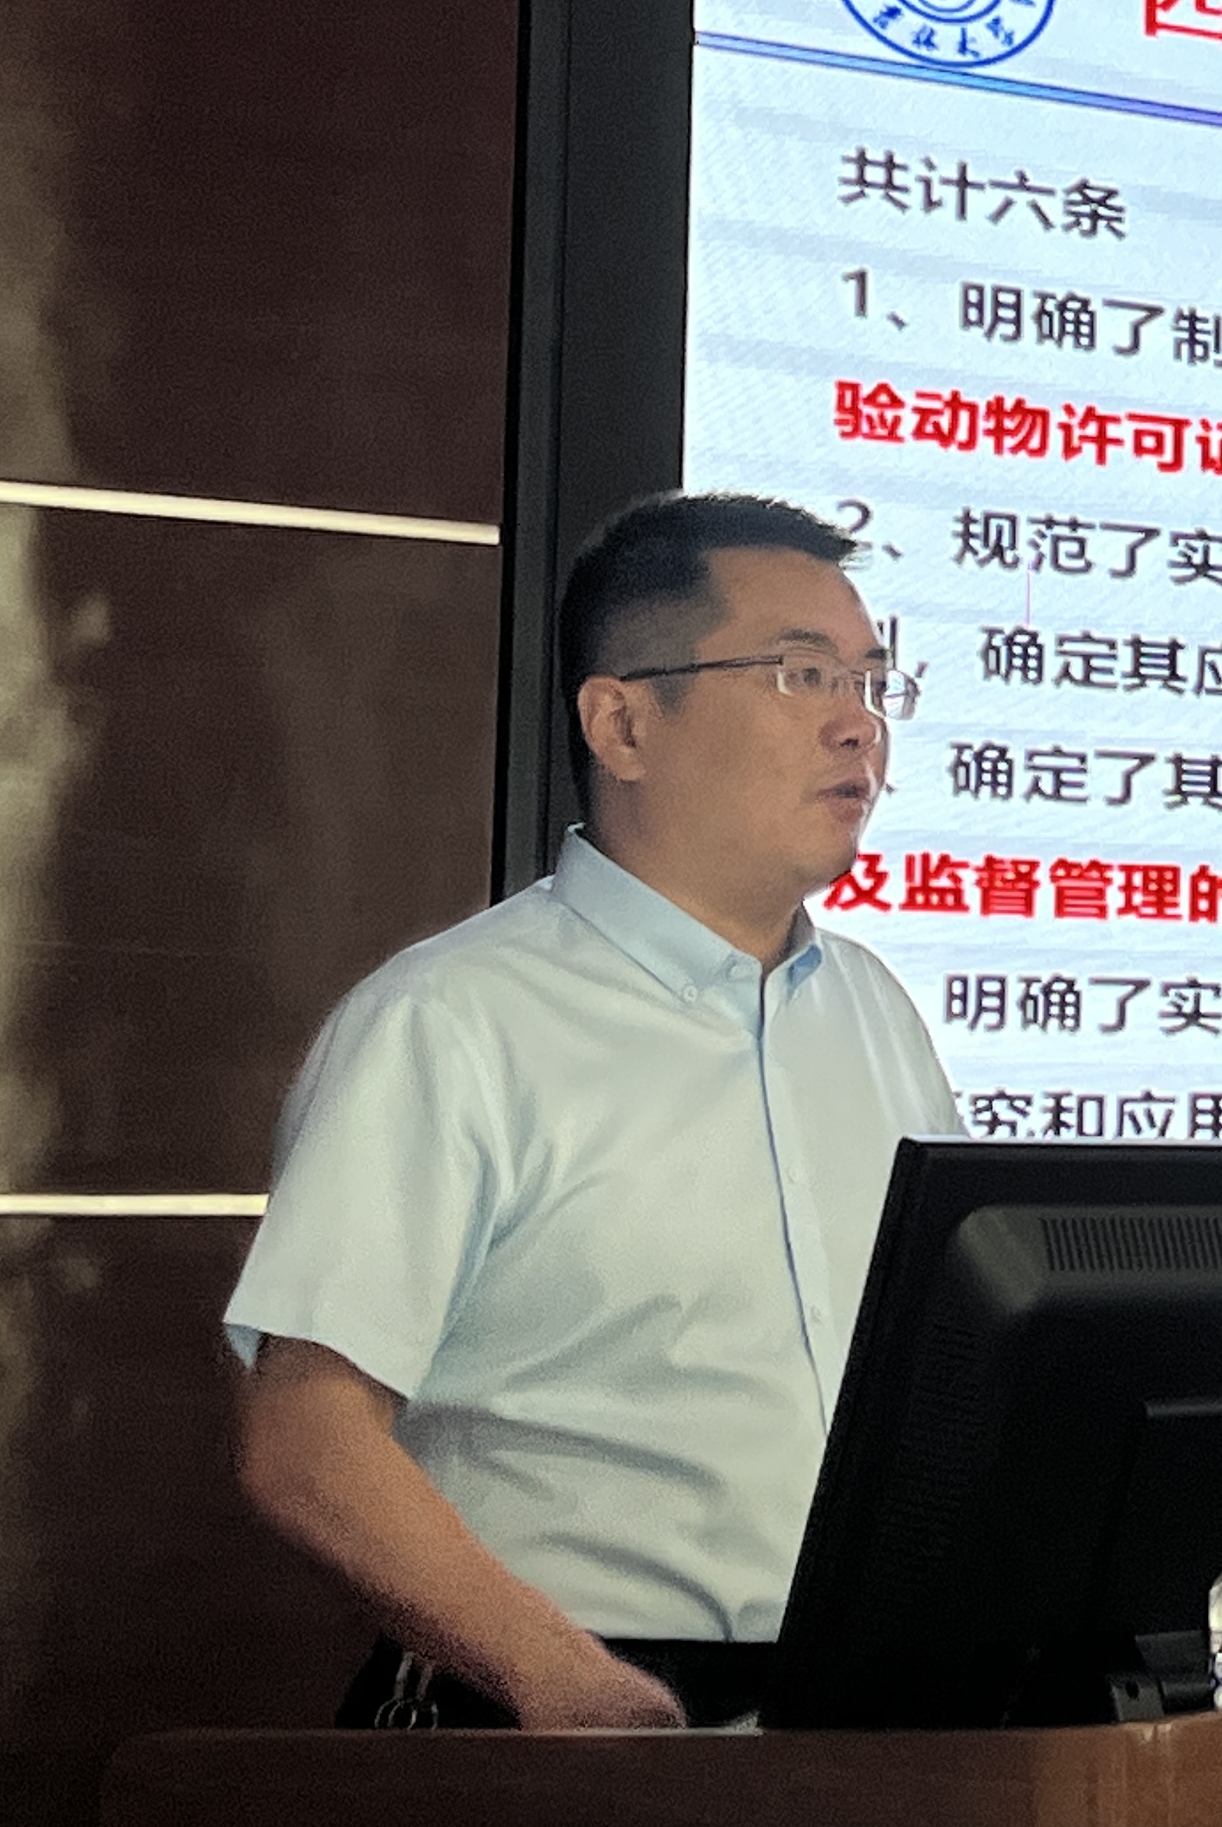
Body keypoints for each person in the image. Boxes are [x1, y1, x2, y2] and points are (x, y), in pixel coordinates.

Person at [225, 492, 957, 1727]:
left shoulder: (878, 1017)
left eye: (873, 682)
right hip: (547, 1722)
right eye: (800, 673)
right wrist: (554, 1677)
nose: (858, 725)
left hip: (859, 1720)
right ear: (622, 723)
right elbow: (306, 1439)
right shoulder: (453, 1023)